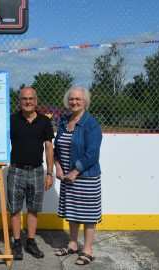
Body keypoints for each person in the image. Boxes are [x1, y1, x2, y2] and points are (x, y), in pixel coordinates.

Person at [0, 86, 54, 260]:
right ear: (19, 101)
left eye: (31, 99)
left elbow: (49, 148)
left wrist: (50, 173)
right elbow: (0, 145)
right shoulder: (11, 120)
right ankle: (17, 243)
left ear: (36, 101)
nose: (28, 102)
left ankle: (31, 242)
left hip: (37, 171)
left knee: (33, 209)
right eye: (24, 99)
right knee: (15, 209)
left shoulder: (44, 121)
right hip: (16, 170)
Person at [53, 87, 102, 266]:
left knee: (88, 215)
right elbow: (57, 148)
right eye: (71, 99)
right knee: (72, 212)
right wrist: (58, 167)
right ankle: (73, 244)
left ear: (85, 102)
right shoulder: (63, 122)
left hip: (86, 177)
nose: (74, 102)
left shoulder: (91, 124)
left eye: (78, 99)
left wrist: (75, 171)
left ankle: (88, 249)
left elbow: (92, 153)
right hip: (67, 178)